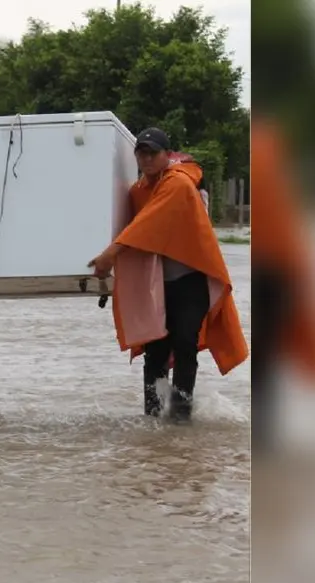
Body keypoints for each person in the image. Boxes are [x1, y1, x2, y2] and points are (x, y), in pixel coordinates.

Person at [88, 127, 248, 422]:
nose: (147, 159)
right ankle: (153, 417)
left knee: (186, 342)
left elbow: (145, 225)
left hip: (191, 280)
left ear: (167, 154)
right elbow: (122, 225)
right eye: (141, 153)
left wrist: (110, 255)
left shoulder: (178, 183)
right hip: (158, 285)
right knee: (156, 348)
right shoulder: (138, 191)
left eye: (153, 153)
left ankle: (180, 416)